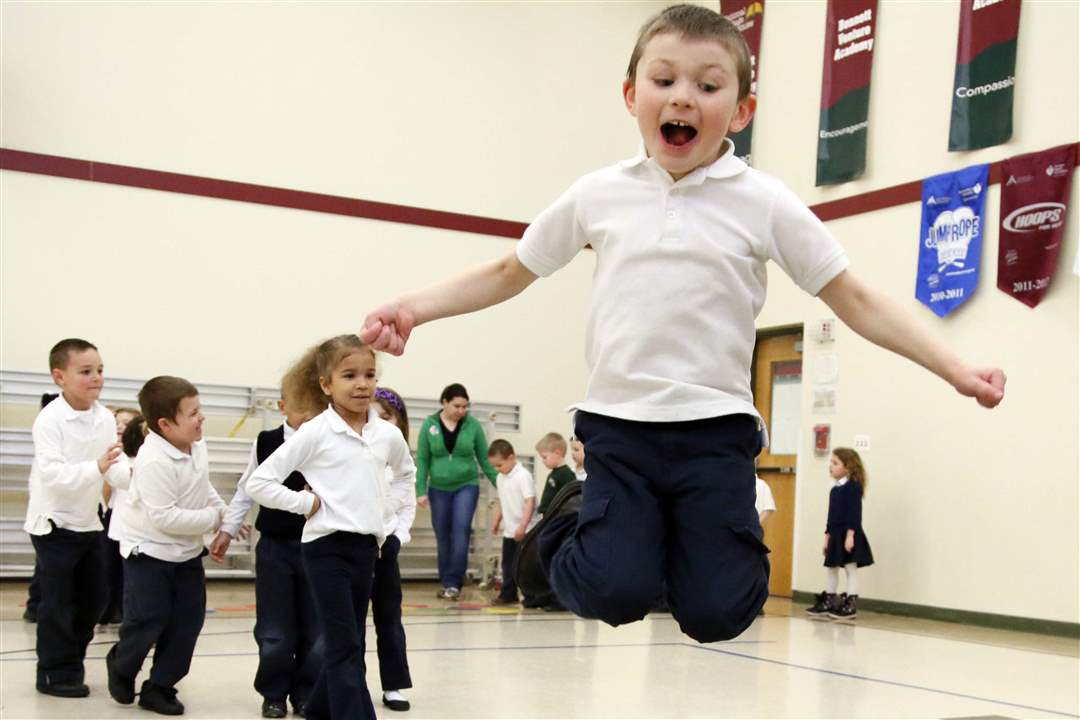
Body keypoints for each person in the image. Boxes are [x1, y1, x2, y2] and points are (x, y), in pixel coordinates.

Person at [360, 4, 1005, 643]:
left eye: (708, 84)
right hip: (621, 429)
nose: (684, 98)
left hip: (715, 432)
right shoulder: (600, 193)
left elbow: (855, 296)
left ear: (742, 110)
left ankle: (680, 543)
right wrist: (413, 308)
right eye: (664, 80)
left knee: (719, 613)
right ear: (631, 94)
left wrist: (954, 367)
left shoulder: (764, 201)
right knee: (613, 593)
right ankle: (576, 525)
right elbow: (510, 269)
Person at [244, 335, 415, 720]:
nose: (362, 384)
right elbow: (260, 482)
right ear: (326, 385)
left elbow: (406, 475)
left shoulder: (387, 435)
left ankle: (319, 709)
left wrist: (387, 518)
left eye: (369, 375)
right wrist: (305, 503)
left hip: (366, 550)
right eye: (349, 375)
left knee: (349, 638)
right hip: (325, 550)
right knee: (343, 647)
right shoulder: (316, 432)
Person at [106, 376, 226, 716]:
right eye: (192, 413)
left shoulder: (197, 444)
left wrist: (225, 513)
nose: (201, 418)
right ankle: (122, 664)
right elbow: (166, 519)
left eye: (199, 410)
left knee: (188, 621)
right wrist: (214, 519)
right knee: (148, 619)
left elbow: (203, 487)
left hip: (186, 553)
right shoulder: (153, 461)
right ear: (165, 424)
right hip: (149, 552)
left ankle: (160, 686)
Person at [24, 339, 130, 698]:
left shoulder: (102, 417)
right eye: (86, 372)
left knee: (95, 598)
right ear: (60, 377)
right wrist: (97, 467)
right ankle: (54, 672)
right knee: (56, 603)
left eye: (99, 370)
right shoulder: (49, 420)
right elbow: (54, 475)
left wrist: (136, 477)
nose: (96, 377)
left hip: (88, 522)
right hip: (53, 524)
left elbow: (113, 467)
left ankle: (72, 660)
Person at [209, 387, 318, 719]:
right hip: (275, 546)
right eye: (303, 407)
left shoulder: (325, 440)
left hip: (318, 546)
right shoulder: (266, 441)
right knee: (274, 627)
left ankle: (307, 692)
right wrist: (228, 529)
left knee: (315, 627)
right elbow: (246, 488)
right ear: (284, 406)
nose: (310, 415)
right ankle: (273, 692)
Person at [414, 383, 498, 600]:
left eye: (464, 407)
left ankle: (454, 583)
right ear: (444, 403)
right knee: (443, 536)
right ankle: (446, 580)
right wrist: (420, 490)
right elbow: (422, 459)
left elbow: (485, 459)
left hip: (466, 486)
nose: (461, 411)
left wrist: (502, 484)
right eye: (456, 406)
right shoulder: (429, 425)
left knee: (461, 532)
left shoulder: (473, 426)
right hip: (438, 488)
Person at [371, 387, 416, 712]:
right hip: (355, 548)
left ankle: (394, 685)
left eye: (386, 416)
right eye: (374, 415)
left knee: (389, 620)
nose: (380, 422)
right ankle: (350, 682)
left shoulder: (402, 460)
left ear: (399, 422)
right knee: (349, 622)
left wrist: (397, 537)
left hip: (387, 549)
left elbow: (408, 505)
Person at [806, 448, 874, 622]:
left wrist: (851, 535)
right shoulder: (835, 489)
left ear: (848, 467)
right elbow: (831, 516)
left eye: (835, 463)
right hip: (835, 534)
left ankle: (851, 603)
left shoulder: (853, 487)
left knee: (850, 568)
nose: (831, 466)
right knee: (831, 568)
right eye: (831, 462)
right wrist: (827, 537)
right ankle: (829, 599)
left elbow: (855, 514)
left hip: (848, 533)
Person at [99, 406, 140, 626]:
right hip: (115, 518)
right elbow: (107, 489)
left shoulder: (138, 456)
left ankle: (127, 615)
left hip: (133, 524)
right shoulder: (114, 454)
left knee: (129, 577)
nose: (121, 427)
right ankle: (109, 612)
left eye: (127, 423)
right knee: (111, 572)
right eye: (118, 423)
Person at [23, 391, 60, 625]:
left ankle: (35, 605)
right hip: (47, 516)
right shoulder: (47, 442)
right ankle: (35, 606)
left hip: (52, 515)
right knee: (47, 570)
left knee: (45, 568)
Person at [487, 439, 538, 606]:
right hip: (510, 530)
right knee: (507, 565)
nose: (497, 469)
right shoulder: (501, 478)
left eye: (499, 465)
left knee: (525, 566)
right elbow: (502, 500)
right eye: (494, 466)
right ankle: (508, 594)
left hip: (526, 530)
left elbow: (530, 501)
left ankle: (531, 596)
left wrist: (523, 526)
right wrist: (496, 520)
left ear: (511, 458)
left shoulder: (523, 476)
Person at [534, 433, 577, 516]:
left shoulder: (567, 474)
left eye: (544, 457)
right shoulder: (553, 473)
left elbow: (570, 501)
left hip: (557, 518)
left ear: (557, 453)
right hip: (548, 516)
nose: (543, 461)